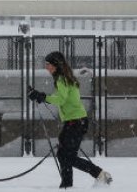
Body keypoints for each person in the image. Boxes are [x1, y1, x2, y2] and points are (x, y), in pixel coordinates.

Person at [26, 51, 112, 188]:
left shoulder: (62, 79)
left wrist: (42, 97)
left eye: (48, 64)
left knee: (68, 156)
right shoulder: (65, 78)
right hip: (75, 122)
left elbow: (61, 99)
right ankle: (67, 185)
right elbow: (62, 99)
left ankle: (99, 174)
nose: (46, 67)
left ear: (56, 64)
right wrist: (40, 96)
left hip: (75, 122)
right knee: (63, 155)